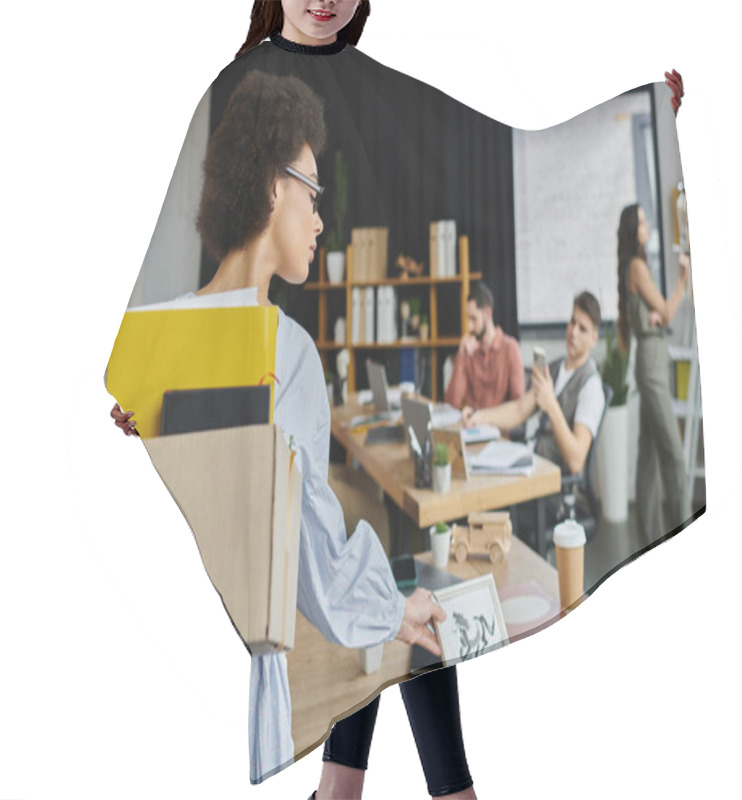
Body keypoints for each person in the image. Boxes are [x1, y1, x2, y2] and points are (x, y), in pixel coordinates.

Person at [112, 3, 476, 798]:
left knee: (367, 558)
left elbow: (448, 152)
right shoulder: (239, 86)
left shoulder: (369, 92)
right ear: (272, 185)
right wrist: (152, 400)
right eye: (313, 192)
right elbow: (310, 546)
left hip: (313, 367)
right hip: (290, 376)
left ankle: (344, 788)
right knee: (375, 567)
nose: (325, 214)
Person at [464, 291, 606, 480]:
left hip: (551, 478)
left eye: (583, 328)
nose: (573, 332)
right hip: (532, 461)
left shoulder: (591, 386)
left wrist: (551, 405)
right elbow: (519, 410)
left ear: (594, 339)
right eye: (572, 322)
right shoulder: (553, 369)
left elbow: (575, 461)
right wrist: (478, 416)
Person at [616, 203, 691, 538]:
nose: (647, 227)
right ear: (634, 232)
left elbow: (657, 314)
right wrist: (682, 282)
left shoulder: (635, 267)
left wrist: (657, 316)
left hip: (651, 360)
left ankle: (649, 540)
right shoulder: (637, 266)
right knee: (674, 456)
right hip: (652, 365)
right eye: (642, 223)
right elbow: (667, 310)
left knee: (647, 457)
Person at [444, 281, 525, 411]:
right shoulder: (468, 351)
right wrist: (460, 356)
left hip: (499, 428)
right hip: (472, 428)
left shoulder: (510, 348)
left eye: (473, 319)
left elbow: (520, 407)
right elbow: (452, 404)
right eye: (468, 319)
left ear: (488, 313)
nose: (469, 327)